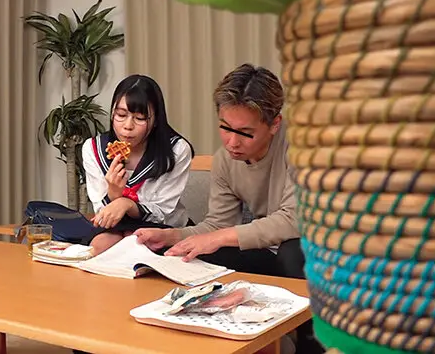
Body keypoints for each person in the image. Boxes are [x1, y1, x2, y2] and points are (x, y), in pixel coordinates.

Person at [134, 64, 322, 354]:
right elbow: (217, 225)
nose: (232, 142)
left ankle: (314, 344)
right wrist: (172, 236)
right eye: (225, 128)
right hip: (270, 251)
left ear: (274, 124)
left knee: (293, 251)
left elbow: (295, 219)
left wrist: (219, 237)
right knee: (198, 255)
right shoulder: (225, 161)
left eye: (245, 133)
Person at [81, 74, 195, 255]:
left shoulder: (176, 150)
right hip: (116, 226)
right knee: (98, 248)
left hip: (163, 228)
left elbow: (163, 211)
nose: (128, 126)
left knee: (135, 245)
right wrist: (113, 194)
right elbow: (103, 213)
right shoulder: (93, 148)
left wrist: (126, 204)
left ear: (156, 119)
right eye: (121, 115)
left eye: (140, 118)